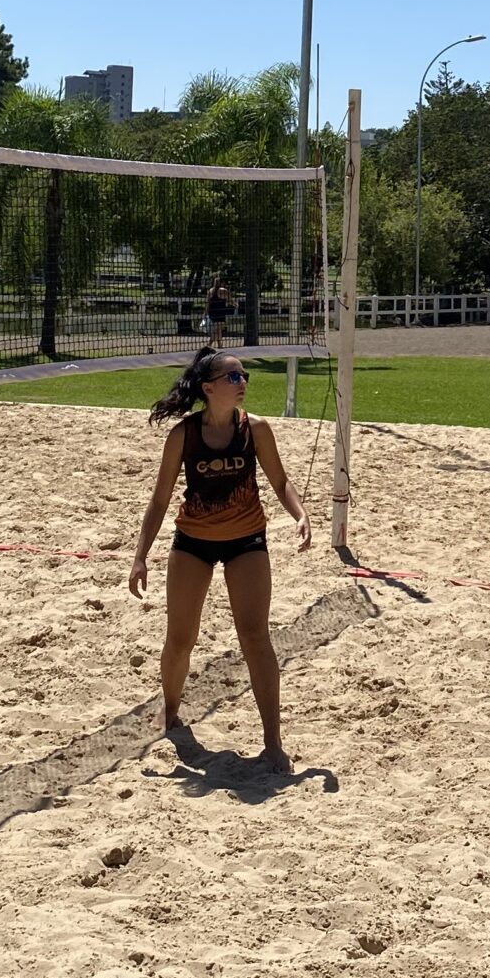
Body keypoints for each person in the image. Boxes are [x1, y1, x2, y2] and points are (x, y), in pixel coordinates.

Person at [127, 347, 313, 770]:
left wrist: (300, 514)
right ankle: (171, 711)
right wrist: (140, 556)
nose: (243, 382)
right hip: (192, 541)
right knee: (181, 639)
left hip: (247, 539)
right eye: (233, 377)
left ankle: (272, 743)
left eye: (244, 376)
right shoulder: (184, 435)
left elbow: (281, 481)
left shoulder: (257, 429)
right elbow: (159, 501)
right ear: (209, 389)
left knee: (255, 637)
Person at [206, 277, 232, 351]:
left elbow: (208, 303)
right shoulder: (223, 290)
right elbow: (229, 300)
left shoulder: (210, 291)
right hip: (220, 311)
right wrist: (235, 304)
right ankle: (209, 344)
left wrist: (206, 312)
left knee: (218, 329)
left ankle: (219, 344)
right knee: (218, 328)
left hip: (212, 311)